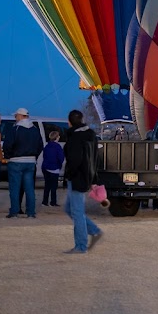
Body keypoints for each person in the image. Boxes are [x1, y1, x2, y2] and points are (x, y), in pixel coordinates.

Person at [62, 109, 104, 254]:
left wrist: (69, 174)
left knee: (77, 212)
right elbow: (95, 158)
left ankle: (81, 246)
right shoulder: (91, 135)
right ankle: (94, 230)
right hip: (86, 177)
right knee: (69, 209)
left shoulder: (75, 137)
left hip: (77, 178)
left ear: (69, 122)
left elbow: (75, 160)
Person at [3, 107, 43, 219]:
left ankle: (14, 211)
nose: (15, 118)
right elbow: (40, 145)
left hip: (16, 161)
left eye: (16, 116)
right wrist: (34, 156)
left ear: (20, 116)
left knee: (15, 188)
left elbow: (7, 144)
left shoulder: (15, 129)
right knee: (29, 188)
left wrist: (8, 156)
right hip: (30, 162)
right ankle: (31, 212)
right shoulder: (35, 129)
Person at [41, 130, 65, 207]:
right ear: (57, 137)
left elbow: (44, 156)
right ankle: (53, 202)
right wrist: (59, 165)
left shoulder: (47, 146)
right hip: (54, 168)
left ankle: (44, 202)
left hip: (45, 167)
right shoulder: (58, 147)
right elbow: (61, 158)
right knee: (54, 187)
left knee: (47, 186)